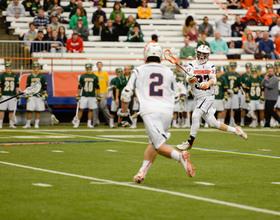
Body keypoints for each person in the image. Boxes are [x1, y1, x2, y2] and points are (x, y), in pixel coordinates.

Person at [118, 42, 195, 183]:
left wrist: (123, 115)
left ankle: (180, 157)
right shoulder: (169, 72)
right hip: (167, 113)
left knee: (159, 146)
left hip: (150, 111)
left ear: (146, 55)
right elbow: (177, 94)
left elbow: (126, 93)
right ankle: (142, 172)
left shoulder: (139, 70)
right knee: (153, 143)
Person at [177, 45, 247, 151]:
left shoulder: (210, 65)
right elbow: (188, 79)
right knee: (213, 123)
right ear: (197, 53)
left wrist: (206, 84)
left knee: (195, 115)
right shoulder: (191, 65)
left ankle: (190, 142)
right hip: (198, 97)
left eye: (204, 54)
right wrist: (191, 79)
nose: (201, 56)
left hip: (208, 96)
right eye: (200, 53)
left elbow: (213, 80)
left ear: (208, 55)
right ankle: (236, 130)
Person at [74, 63, 100, 128]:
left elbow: (98, 87)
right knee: (81, 109)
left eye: (90, 68)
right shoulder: (82, 76)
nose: (89, 69)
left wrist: (98, 95)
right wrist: (78, 95)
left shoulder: (95, 77)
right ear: (86, 68)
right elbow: (80, 86)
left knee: (90, 109)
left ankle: (89, 123)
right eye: (87, 68)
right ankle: (77, 123)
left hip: (92, 95)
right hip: (84, 95)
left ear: (91, 68)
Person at [23, 61, 47, 129]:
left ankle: (36, 124)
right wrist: (26, 94)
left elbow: (44, 86)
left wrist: (44, 94)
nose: (36, 68)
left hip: (39, 95)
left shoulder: (42, 76)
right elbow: (27, 86)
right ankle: (28, 124)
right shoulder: (30, 76)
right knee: (29, 110)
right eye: (34, 67)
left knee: (38, 110)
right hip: (31, 95)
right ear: (32, 67)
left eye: (37, 66)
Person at [0, 61, 19, 129]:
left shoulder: (14, 75)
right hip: (4, 94)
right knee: (2, 110)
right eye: (7, 66)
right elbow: (0, 85)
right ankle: (0, 124)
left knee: (11, 110)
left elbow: (17, 86)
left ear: (11, 67)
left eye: (9, 66)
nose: (8, 68)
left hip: (12, 95)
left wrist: (17, 93)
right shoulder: (2, 75)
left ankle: (11, 124)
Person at [223, 61, 242, 127]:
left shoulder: (237, 74)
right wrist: (227, 90)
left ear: (236, 66)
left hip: (234, 93)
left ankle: (232, 120)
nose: (233, 67)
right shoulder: (226, 74)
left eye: (234, 66)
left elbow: (239, 85)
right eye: (231, 66)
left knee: (233, 108)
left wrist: (235, 89)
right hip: (227, 93)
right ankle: (223, 121)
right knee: (225, 108)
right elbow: (223, 83)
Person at [93, 61, 110, 126]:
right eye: (98, 65)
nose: (99, 66)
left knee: (103, 107)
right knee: (95, 108)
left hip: (103, 92)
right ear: (97, 66)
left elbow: (108, 83)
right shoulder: (94, 74)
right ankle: (95, 122)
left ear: (102, 66)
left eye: (100, 65)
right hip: (95, 93)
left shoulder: (105, 73)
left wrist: (108, 93)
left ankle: (109, 121)